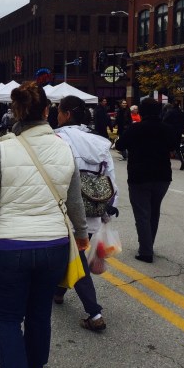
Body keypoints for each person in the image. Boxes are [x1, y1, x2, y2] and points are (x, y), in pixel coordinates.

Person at [0, 81, 88, 368]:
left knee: (8, 319)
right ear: (46, 111)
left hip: (10, 246)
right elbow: (74, 201)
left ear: (16, 112)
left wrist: (5, 214)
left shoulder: (3, 149)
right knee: (40, 311)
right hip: (54, 244)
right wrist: (81, 236)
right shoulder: (63, 148)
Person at [54, 95, 119, 331]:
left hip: (65, 211)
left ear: (67, 114)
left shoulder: (57, 138)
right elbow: (110, 179)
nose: (57, 115)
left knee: (77, 260)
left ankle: (94, 313)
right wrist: (109, 209)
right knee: (73, 254)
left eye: (59, 111)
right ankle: (58, 292)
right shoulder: (99, 143)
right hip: (92, 210)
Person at [115, 98, 178, 263]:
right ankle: (149, 244)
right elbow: (173, 146)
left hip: (139, 175)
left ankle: (145, 250)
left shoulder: (135, 129)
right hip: (162, 175)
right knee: (154, 210)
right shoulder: (167, 129)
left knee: (142, 213)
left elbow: (120, 145)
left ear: (141, 112)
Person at [162, 99, 184, 170]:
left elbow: (164, 121)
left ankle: (166, 163)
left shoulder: (170, 112)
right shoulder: (181, 112)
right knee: (177, 148)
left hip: (170, 132)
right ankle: (183, 161)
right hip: (178, 132)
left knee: (167, 147)